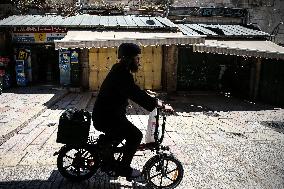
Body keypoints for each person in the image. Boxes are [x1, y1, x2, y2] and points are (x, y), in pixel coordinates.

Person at [92, 43, 173, 179]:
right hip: (107, 117)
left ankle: (106, 152)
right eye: (137, 58)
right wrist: (158, 104)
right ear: (129, 59)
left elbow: (130, 91)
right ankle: (123, 169)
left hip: (109, 114)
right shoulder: (121, 73)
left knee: (121, 133)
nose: (139, 61)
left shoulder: (119, 70)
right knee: (135, 135)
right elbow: (134, 93)